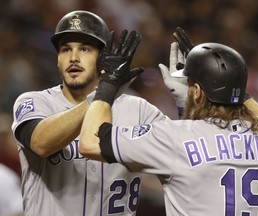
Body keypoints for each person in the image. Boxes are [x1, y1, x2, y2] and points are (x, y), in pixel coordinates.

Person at [79, 29, 258, 215]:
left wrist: (108, 83)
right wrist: (225, 79)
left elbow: (89, 143)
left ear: (197, 91)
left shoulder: (175, 136)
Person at [11, 10, 170, 216]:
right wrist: (103, 94)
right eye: (65, 50)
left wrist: (189, 104)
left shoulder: (138, 110)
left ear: (103, 58)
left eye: (85, 49)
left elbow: (183, 153)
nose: (74, 58)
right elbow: (41, 143)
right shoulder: (36, 102)